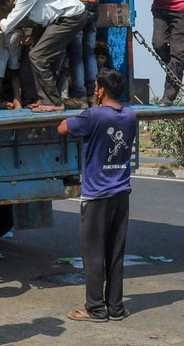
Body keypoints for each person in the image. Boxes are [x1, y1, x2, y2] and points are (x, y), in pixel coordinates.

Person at [58, 69, 137, 322]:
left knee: (93, 255)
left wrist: (92, 106)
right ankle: (115, 307)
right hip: (121, 193)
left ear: (100, 89)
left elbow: (62, 128)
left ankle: (95, 308)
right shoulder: (131, 115)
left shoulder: (92, 115)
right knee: (115, 253)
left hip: (97, 196)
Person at [0, 0, 86, 112]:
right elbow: (41, 14)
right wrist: (34, 35)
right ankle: (44, 99)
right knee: (35, 54)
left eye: (4, 9)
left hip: (70, 18)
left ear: (8, 0)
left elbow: (6, 26)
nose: (7, 12)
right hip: (60, 19)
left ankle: (54, 102)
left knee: (38, 56)